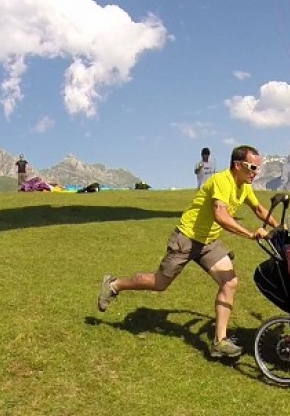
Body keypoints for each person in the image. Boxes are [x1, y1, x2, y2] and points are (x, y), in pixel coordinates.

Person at [97, 145, 279, 359]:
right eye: (252, 167)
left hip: (209, 243)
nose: (255, 172)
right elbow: (220, 215)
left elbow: (259, 210)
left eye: (258, 168)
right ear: (238, 165)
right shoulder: (222, 181)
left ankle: (219, 342)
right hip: (187, 238)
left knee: (229, 282)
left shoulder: (244, 186)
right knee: (159, 283)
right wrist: (249, 234)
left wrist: (281, 230)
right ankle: (114, 285)